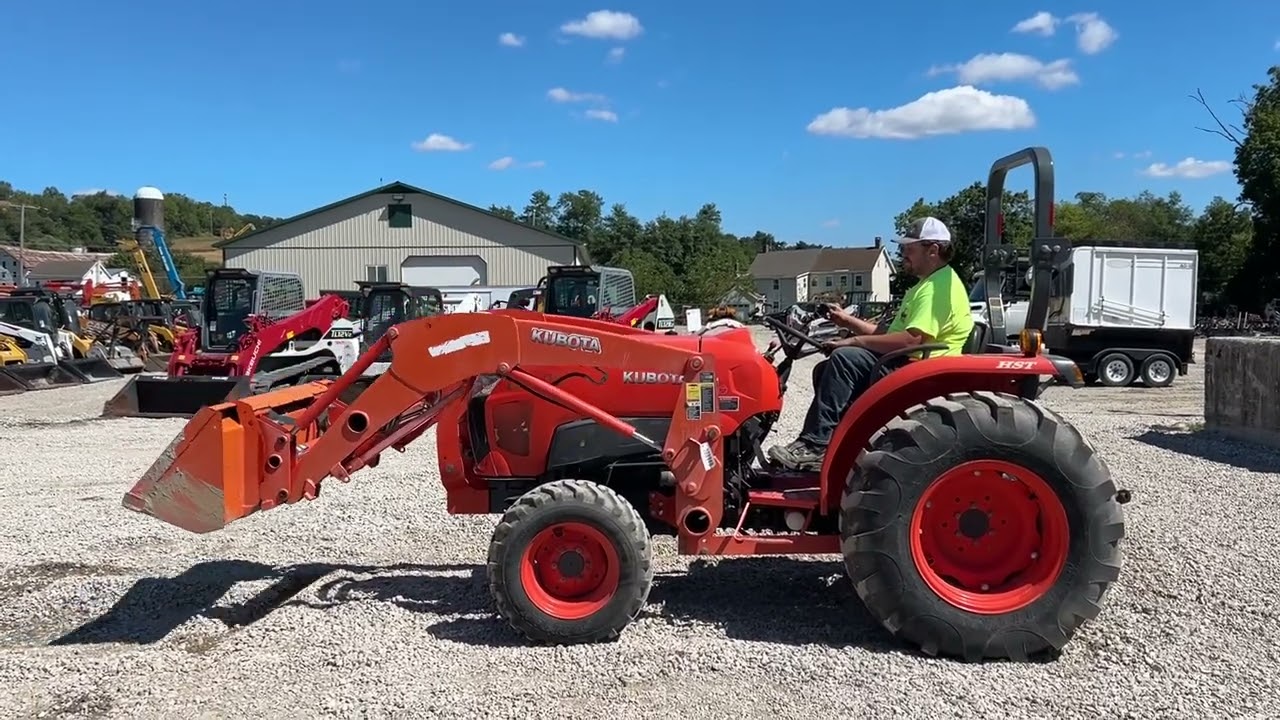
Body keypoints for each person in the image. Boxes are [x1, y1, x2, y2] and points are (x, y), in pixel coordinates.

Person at [767, 216, 975, 471]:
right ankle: (837, 448)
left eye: (909, 248)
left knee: (846, 360)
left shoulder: (938, 289)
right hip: (907, 360)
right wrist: (845, 321)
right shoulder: (928, 284)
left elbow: (912, 340)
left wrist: (853, 342)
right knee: (826, 369)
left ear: (933, 250)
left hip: (916, 368)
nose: (903, 254)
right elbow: (887, 333)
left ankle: (815, 445)